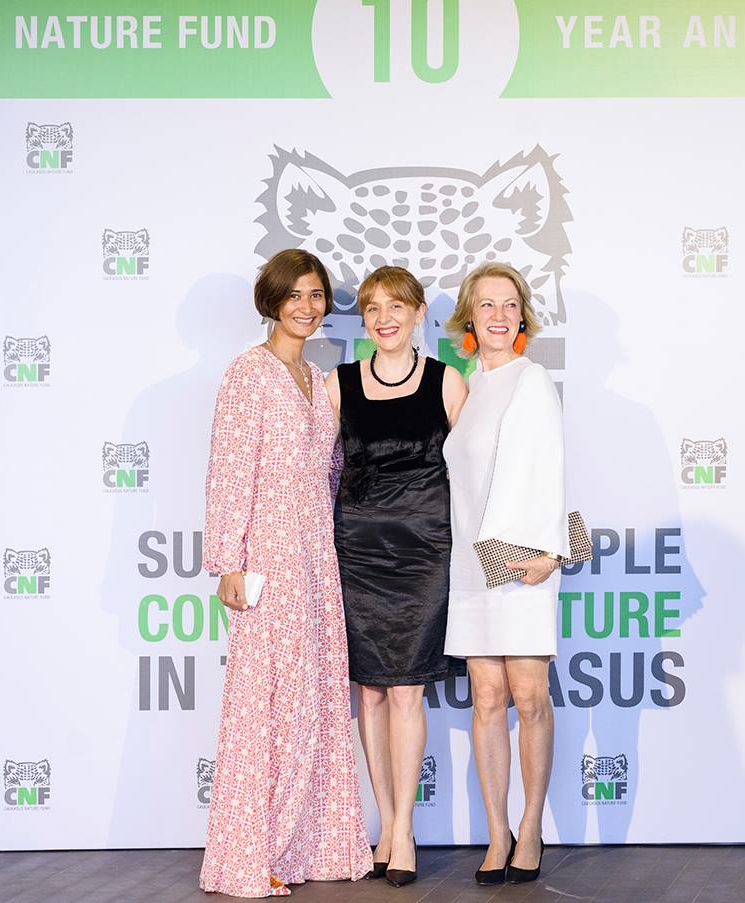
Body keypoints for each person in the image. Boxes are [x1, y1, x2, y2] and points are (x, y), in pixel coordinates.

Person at [199, 249, 372, 898]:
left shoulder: (319, 378)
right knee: (266, 702)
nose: (307, 306)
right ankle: (253, 852)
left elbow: (330, 472)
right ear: (271, 301)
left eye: (316, 294)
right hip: (267, 554)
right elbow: (229, 469)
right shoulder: (249, 373)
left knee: (315, 699)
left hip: (317, 555)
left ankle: (309, 844)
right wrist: (228, 560)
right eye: (294, 295)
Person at [324, 267, 467, 888]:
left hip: (425, 552)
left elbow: (476, 471)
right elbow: (315, 471)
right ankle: (383, 823)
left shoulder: (447, 381)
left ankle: (403, 829)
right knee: (371, 694)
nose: (384, 318)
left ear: (417, 314)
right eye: (372, 308)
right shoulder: (337, 384)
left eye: (396, 306)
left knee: (407, 690)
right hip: (356, 552)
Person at [441, 262, 569, 885]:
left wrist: (549, 553)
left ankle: (531, 828)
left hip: (524, 562)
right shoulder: (468, 385)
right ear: (470, 314)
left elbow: (548, 469)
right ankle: (497, 835)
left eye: (510, 304)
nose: (498, 315)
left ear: (523, 316)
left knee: (529, 696)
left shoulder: (532, 379)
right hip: (472, 564)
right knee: (486, 699)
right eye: (487, 304)